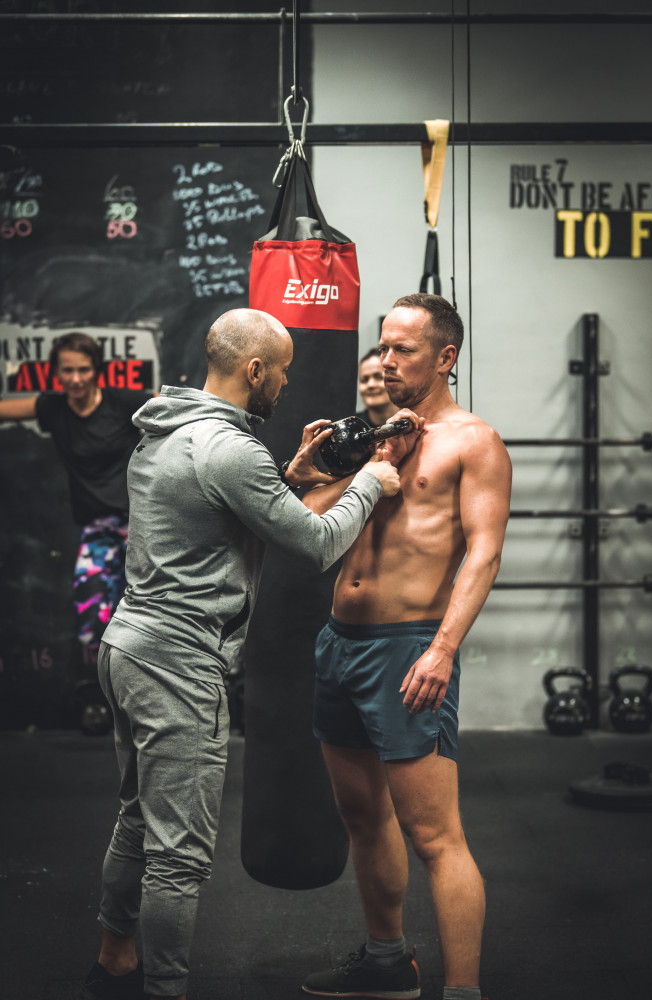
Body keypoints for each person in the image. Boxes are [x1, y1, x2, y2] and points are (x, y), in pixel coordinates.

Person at [80, 307, 402, 1000]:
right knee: (179, 857)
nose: (286, 383)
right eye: (281, 371)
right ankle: (164, 991)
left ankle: (113, 962)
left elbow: (219, 511)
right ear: (255, 370)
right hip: (177, 663)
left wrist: (291, 474)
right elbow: (315, 545)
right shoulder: (230, 448)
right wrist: (371, 483)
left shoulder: (168, 428)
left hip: (127, 646)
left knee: (137, 820)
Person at [300, 293, 512, 1000]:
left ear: (445, 357)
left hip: (408, 649)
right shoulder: (370, 437)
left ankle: (463, 990)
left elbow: (483, 554)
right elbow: (306, 521)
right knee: (363, 819)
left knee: (434, 837)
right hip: (340, 643)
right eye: (383, 346)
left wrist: (442, 649)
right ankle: (387, 961)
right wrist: (312, 468)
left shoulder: (473, 442)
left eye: (402, 350)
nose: (385, 361)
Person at [0, 332, 152, 665]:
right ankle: (108, 685)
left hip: (142, 525)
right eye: (67, 370)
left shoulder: (122, 401)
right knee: (92, 622)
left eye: (84, 369)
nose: (76, 378)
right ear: (56, 372)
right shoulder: (52, 408)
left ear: (96, 369)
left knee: (148, 616)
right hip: (98, 529)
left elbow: (175, 409)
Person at [356, 346, 398, 427]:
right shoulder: (353, 427)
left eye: (378, 377)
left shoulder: (414, 423)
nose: (370, 385)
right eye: (364, 380)